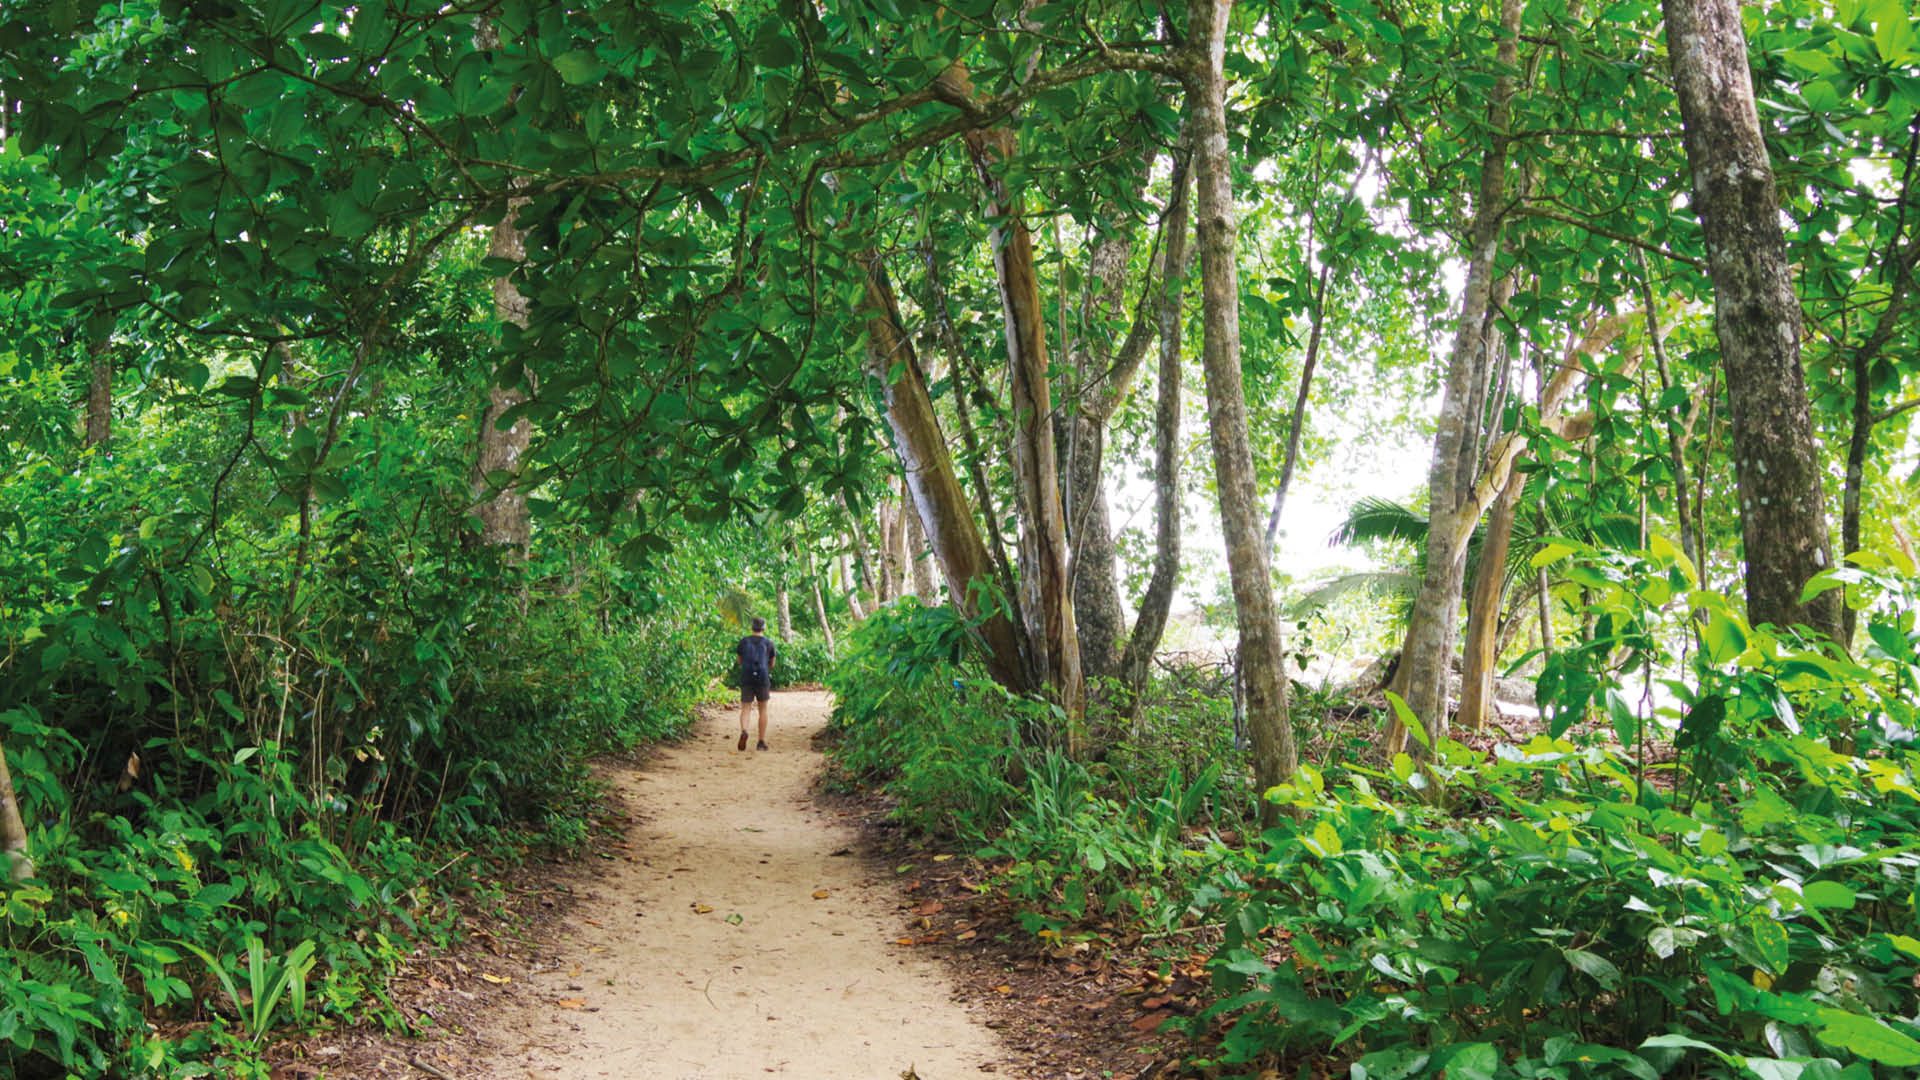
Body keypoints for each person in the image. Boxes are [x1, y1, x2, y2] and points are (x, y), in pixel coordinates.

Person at [735, 617, 777, 751]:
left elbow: (739, 661)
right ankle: (761, 741)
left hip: (747, 676)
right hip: (762, 677)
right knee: (763, 709)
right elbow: (772, 664)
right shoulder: (769, 643)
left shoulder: (743, 642)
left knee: (746, 708)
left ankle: (744, 731)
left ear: (752, 627)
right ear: (763, 628)